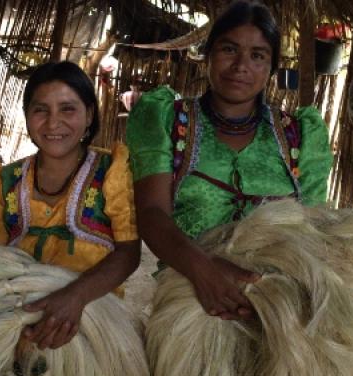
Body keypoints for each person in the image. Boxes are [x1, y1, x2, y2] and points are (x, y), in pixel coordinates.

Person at [125, 0, 332, 320]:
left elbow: (313, 226)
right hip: (188, 297)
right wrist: (203, 271)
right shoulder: (167, 120)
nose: (241, 66)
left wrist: (273, 296)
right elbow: (152, 213)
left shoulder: (300, 136)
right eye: (229, 49)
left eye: (258, 55)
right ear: (207, 55)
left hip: (279, 303)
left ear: (272, 67)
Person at [0, 61, 140, 350]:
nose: (52, 123)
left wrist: (75, 297)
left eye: (68, 109)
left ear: (89, 115)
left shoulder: (112, 172)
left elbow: (128, 253)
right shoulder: (2, 182)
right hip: (22, 317)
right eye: (40, 110)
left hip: (95, 316)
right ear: (26, 115)